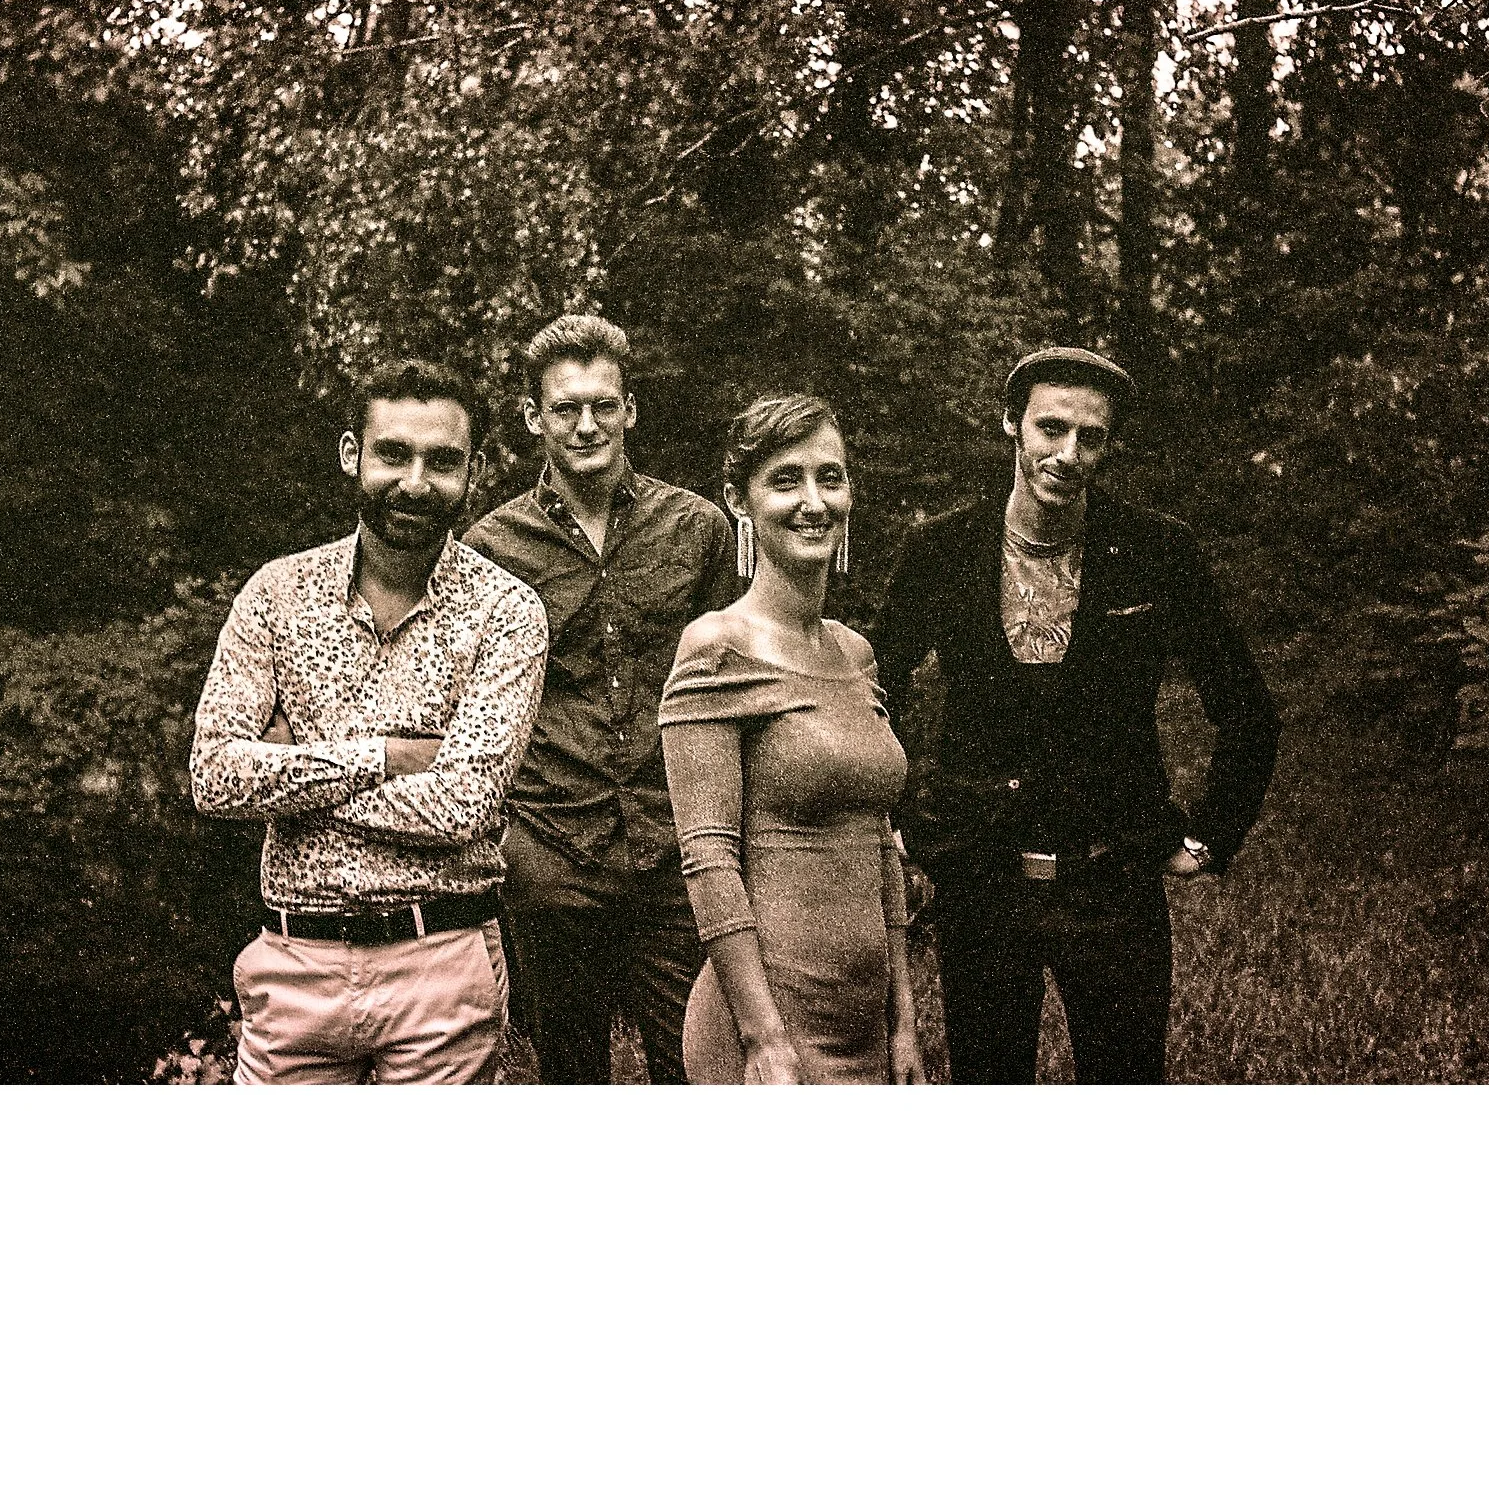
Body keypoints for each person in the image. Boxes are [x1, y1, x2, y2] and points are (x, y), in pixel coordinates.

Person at [868, 346, 1279, 1084]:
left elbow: (1246, 707)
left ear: (1108, 446)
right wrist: (902, 819)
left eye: (1090, 437)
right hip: (982, 884)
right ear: (1012, 424)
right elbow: (874, 690)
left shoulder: (1156, 550)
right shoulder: (943, 549)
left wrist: (1211, 835)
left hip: (1113, 885)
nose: (1067, 454)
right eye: (1051, 428)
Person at [190, 358, 548, 1084]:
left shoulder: (508, 612)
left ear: (474, 470)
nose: (415, 482)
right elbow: (215, 777)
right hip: (293, 967)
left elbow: (463, 805)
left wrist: (291, 777)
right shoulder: (275, 594)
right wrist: (385, 756)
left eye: (441, 461)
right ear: (352, 454)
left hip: (442, 966)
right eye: (393, 454)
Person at [462, 314, 735, 1083]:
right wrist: (509, 843)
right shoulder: (488, 551)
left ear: (630, 409)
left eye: (603, 405)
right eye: (566, 408)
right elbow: (473, 714)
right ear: (533, 417)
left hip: (676, 856)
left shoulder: (698, 530)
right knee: (571, 1080)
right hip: (552, 863)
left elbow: (730, 691)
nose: (587, 426)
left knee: (700, 1072)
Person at [659, 395, 923, 1085]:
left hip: (867, 1028)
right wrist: (764, 1040)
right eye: (785, 480)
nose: (813, 501)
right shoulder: (717, 646)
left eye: (829, 477)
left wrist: (905, 1023)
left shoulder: (855, 654)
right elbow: (708, 858)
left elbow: (880, 843)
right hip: (768, 1031)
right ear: (738, 500)